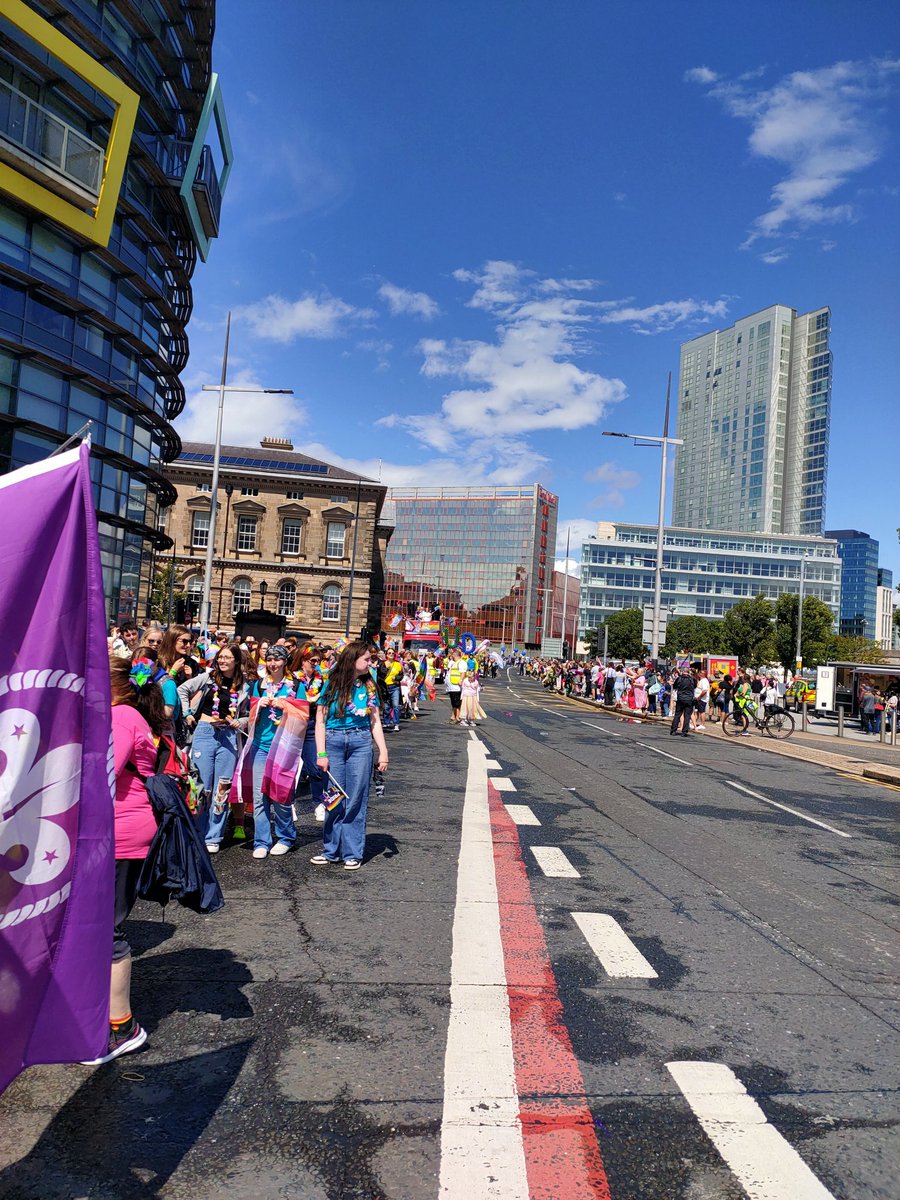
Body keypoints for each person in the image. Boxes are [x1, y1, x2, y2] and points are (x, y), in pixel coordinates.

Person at [82, 655, 166, 1064]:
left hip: (120, 832)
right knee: (98, 926)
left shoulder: (120, 717)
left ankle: (122, 1028)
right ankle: (99, 1018)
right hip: (120, 830)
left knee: (105, 929)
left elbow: (102, 774)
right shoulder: (129, 714)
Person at [313, 642, 389, 870]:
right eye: (366, 659)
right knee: (334, 798)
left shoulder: (369, 686)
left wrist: (383, 751)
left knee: (356, 798)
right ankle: (331, 851)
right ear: (353, 659)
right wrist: (321, 753)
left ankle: (352, 853)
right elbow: (320, 721)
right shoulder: (332, 683)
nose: (370, 663)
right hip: (334, 741)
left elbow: (375, 721)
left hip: (360, 741)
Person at [230, 645, 308, 859]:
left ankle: (285, 837)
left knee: (280, 795)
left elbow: (304, 716)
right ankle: (262, 841)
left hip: (284, 748)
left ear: (285, 661)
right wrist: (258, 706)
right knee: (259, 797)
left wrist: (286, 706)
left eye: (277, 659)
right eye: (270, 659)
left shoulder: (296, 686)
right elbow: (250, 716)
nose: (273, 663)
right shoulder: (259, 685)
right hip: (260, 746)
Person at [178, 644, 251, 853]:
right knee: (201, 786)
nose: (222, 661)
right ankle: (197, 832)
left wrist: (241, 722)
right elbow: (183, 689)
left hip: (229, 736)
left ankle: (214, 836)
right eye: (220, 657)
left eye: (227, 657)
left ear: (236, 661)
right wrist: (187, 713)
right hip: (205, 732)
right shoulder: (208, 677)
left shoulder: (245, 685)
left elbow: (249, 714)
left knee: (222, 787)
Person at [297, 645, 328, 822]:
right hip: (293, 726)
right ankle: (288, 804)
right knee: (291, 769)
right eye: (313, 661)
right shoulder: (293, 679)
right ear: (303, 660)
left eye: (318, 661)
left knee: (315, 767)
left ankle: (319, 803)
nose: (316, 664)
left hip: (311, 726)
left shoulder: (320, 680)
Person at [670, 667, 696, 736]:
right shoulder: (692, 679)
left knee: (677, 714)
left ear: (682, 671)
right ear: (688, 672)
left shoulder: (679, 678)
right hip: (689, 699)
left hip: (680, 698)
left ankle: (673, 730)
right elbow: (695, 686)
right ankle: (684, 732)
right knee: (687, 716)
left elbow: (675, 686)